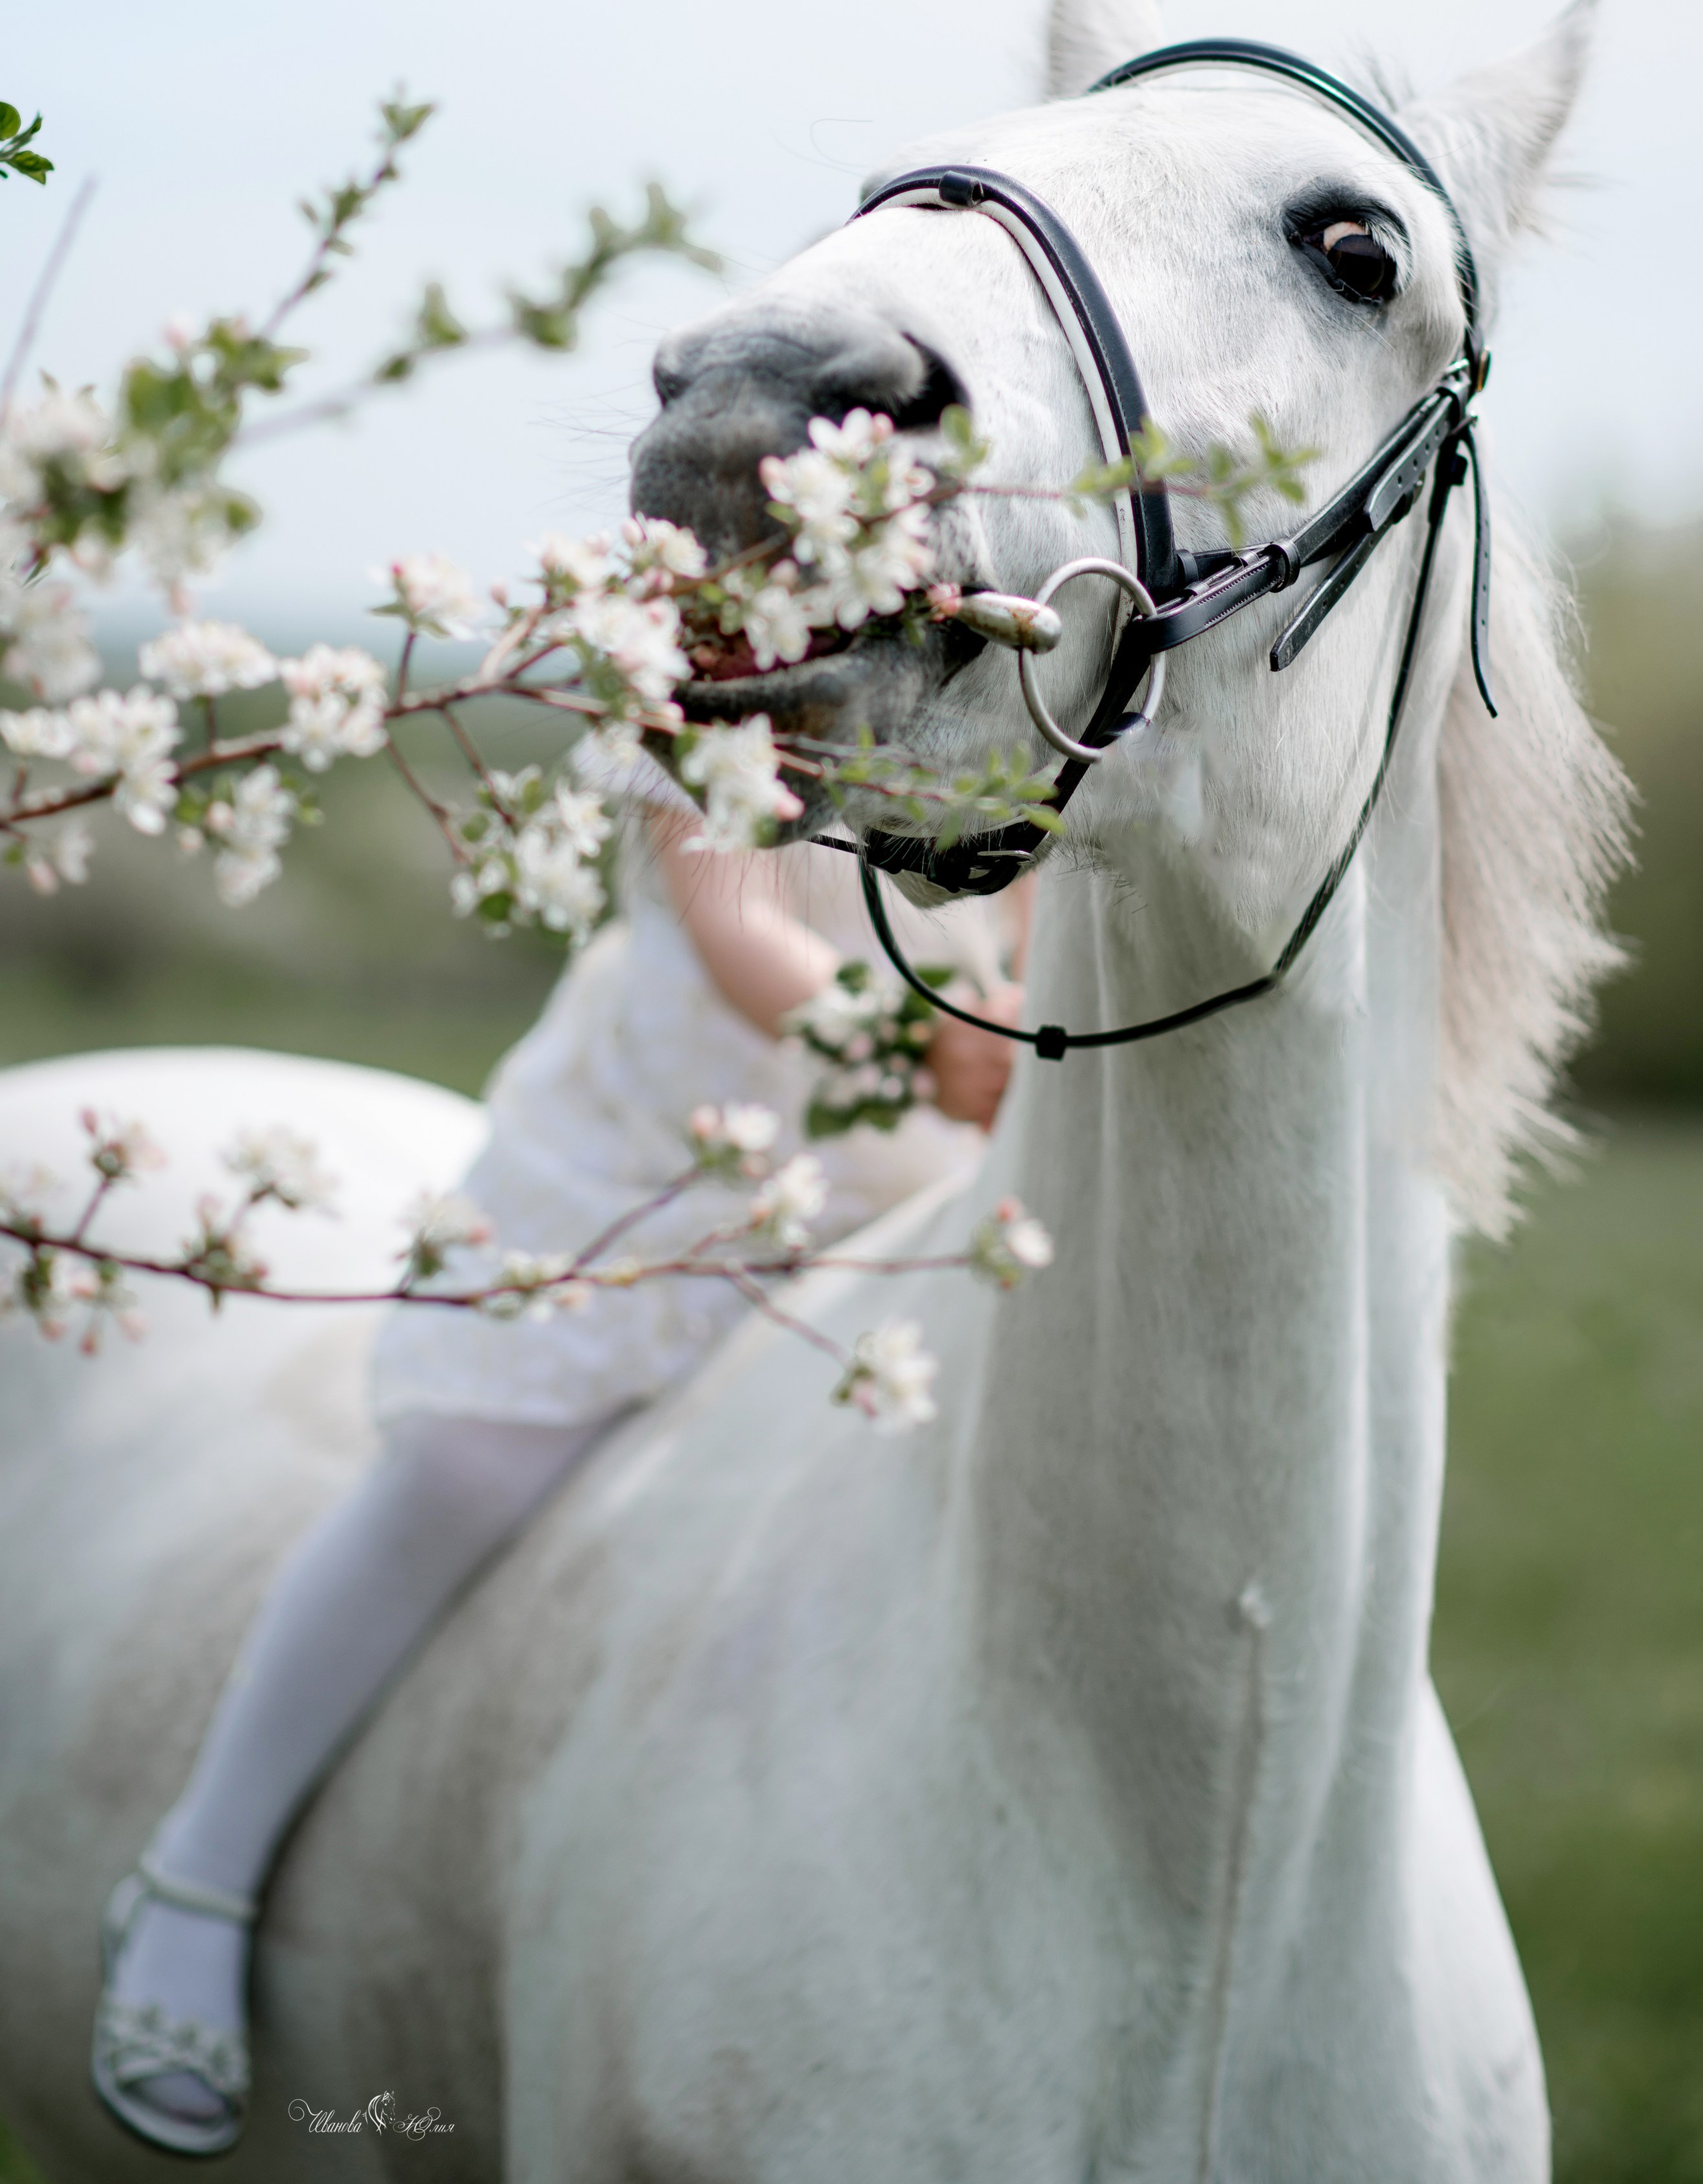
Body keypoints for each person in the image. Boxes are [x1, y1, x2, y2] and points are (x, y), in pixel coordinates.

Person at [91, 796, 1027, 2157]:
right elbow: (729, 913)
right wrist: (907, 1041)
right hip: (664, 1145)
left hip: (903, 1168)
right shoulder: (712, 615)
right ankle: (199, 1869)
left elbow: (1053, 876)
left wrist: (1026, 1032)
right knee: (463, 1470)